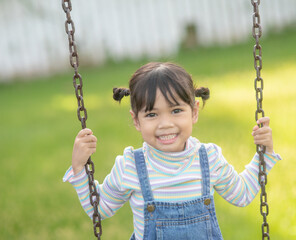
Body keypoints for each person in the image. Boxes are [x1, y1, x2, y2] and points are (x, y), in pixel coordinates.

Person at [63, 62, 281, 240]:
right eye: (151, 114)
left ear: (194, 111)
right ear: (136, 120)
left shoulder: (209, 158)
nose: (165, 124)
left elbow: (241, 195)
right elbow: (99, 209)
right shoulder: (130, 166)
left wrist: (265, 155)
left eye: (176, 111)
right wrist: (79, 169)